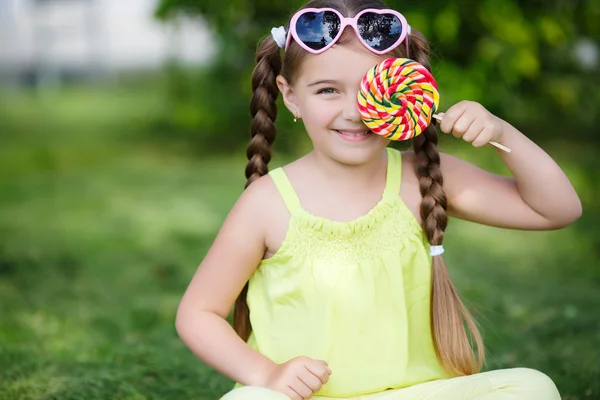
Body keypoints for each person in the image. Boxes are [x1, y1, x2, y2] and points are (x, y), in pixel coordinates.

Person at [174, 1, 582, 399]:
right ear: (291, 95)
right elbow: (198, 313)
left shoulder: (424, 176)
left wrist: (502, 134)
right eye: (328, 90)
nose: (356, 111)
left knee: (531, 387)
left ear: (407, 90)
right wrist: (266, 373)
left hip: (418, 393)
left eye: (373, 89)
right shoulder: (267, 203)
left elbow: (556, 209)